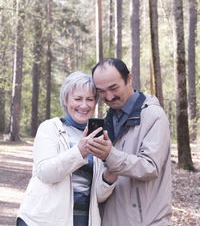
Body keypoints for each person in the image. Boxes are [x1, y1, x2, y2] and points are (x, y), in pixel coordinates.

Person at [17, 71, 117, 226]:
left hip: (82, 220)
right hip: (44, 220)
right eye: (77, 99)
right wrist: (79, 151)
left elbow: (96, 196)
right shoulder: (50, 128)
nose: (84, 105)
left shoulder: (97, 136)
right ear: (65, 100)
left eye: (90, 99)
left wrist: (109, 177)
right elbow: (45, 173)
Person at [88, 58, 172, 226]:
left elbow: (150, 167)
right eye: (101, 91)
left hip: (147, 222)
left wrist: (110, 155)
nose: (109, 97)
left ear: (129, 79)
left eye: (113, 88)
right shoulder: (106, 120)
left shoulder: (154, 115)